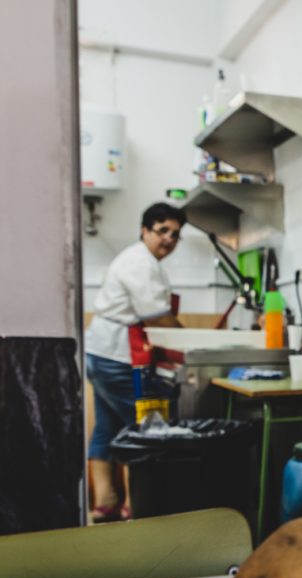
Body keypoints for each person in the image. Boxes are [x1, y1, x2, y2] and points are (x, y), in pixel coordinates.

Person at [84, 202, 186, 522]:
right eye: (162, 230)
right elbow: (156, 315)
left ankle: (105, 503)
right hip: (116, 356)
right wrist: (190, 342)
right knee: (146, 429)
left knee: (107, 428)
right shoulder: (140, 262)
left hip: (101, 353)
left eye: (175, 234)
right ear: (145, 230)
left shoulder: (140, 259)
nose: (169, 239)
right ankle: (138, 506)